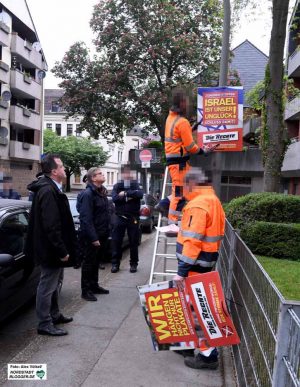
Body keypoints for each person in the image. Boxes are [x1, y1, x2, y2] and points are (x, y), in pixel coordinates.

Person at [172, 167, 225, 369]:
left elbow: (193, 240)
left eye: (183, 187)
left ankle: (207, 356)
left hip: (194, 266)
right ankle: (188, 345)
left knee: (198, 311)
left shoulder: (198, 204)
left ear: (191, 184)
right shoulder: (212, 200)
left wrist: (181, 272)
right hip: (205, 263)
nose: (182, 191)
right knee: (197, 308)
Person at [25, 154, 77, 336]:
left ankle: (54, 314)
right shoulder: (48, 191)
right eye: (61, 166)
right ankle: (44, 323)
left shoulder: (52, 187)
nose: (64, 169)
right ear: (54, 171)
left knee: (55, 283)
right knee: (47, 286)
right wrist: (61, 251)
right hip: (50, 251)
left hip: (52, 249)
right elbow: (51, 225)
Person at [163, 88, 218, 233]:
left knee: (186, 189)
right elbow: (190, 147)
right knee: (180, 193)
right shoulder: (182, 122)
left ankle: (164, 204)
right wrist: (204, 151)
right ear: (182, 103)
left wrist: (191, 129)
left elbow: (178, 138)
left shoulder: (171, 118)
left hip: (176, 162)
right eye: (186, 102)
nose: (188, 105)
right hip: (179, 163)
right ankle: (172, 224)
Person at [77, 167, 110, 301]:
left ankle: (94, 286)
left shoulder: (101, 192)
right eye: (100, 173)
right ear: (93, 178)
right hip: (91, 236)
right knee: (88, 263)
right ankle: (85, 291)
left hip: (101, 233)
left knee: (96, 262)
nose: (103, 174)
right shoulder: (88, 194)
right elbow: (86, 218)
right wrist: (94, 237)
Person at [111, 166, 143, 273]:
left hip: (133, 217)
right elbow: (114, 199)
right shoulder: (117, 185)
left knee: (133, 242)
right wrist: (130, 197)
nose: (126, 175)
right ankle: (115, 264)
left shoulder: (135, 184)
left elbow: (140, 194)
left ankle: (133, 264)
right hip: (119, 217)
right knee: (116, 241)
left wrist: (125, 193)